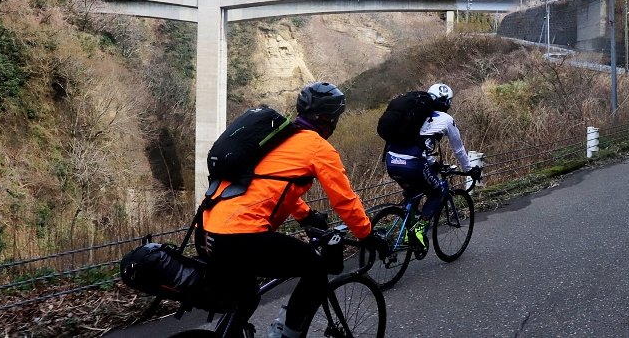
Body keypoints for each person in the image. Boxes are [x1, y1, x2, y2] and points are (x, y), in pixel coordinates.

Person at [198, 81, 389, 338]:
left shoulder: (276, 139)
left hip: (208, 232)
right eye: (336, 118)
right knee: (315, 269)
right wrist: (367, 235)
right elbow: (344, 200)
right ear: (326, 118)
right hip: (241, 235)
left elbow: (268, 185)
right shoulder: (317, 147)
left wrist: (306, 215)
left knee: (246, 298)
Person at [384, 83, 481, 251]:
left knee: (413, 193)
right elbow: (458, 149)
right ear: (447, 103)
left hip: (391, 161)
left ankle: (408, 230)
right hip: (413, 164)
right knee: (437, 193)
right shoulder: (446, 120)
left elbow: (418, 145)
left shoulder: (414, 116)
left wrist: (433, 165)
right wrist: (469, 169)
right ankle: (418, 231)